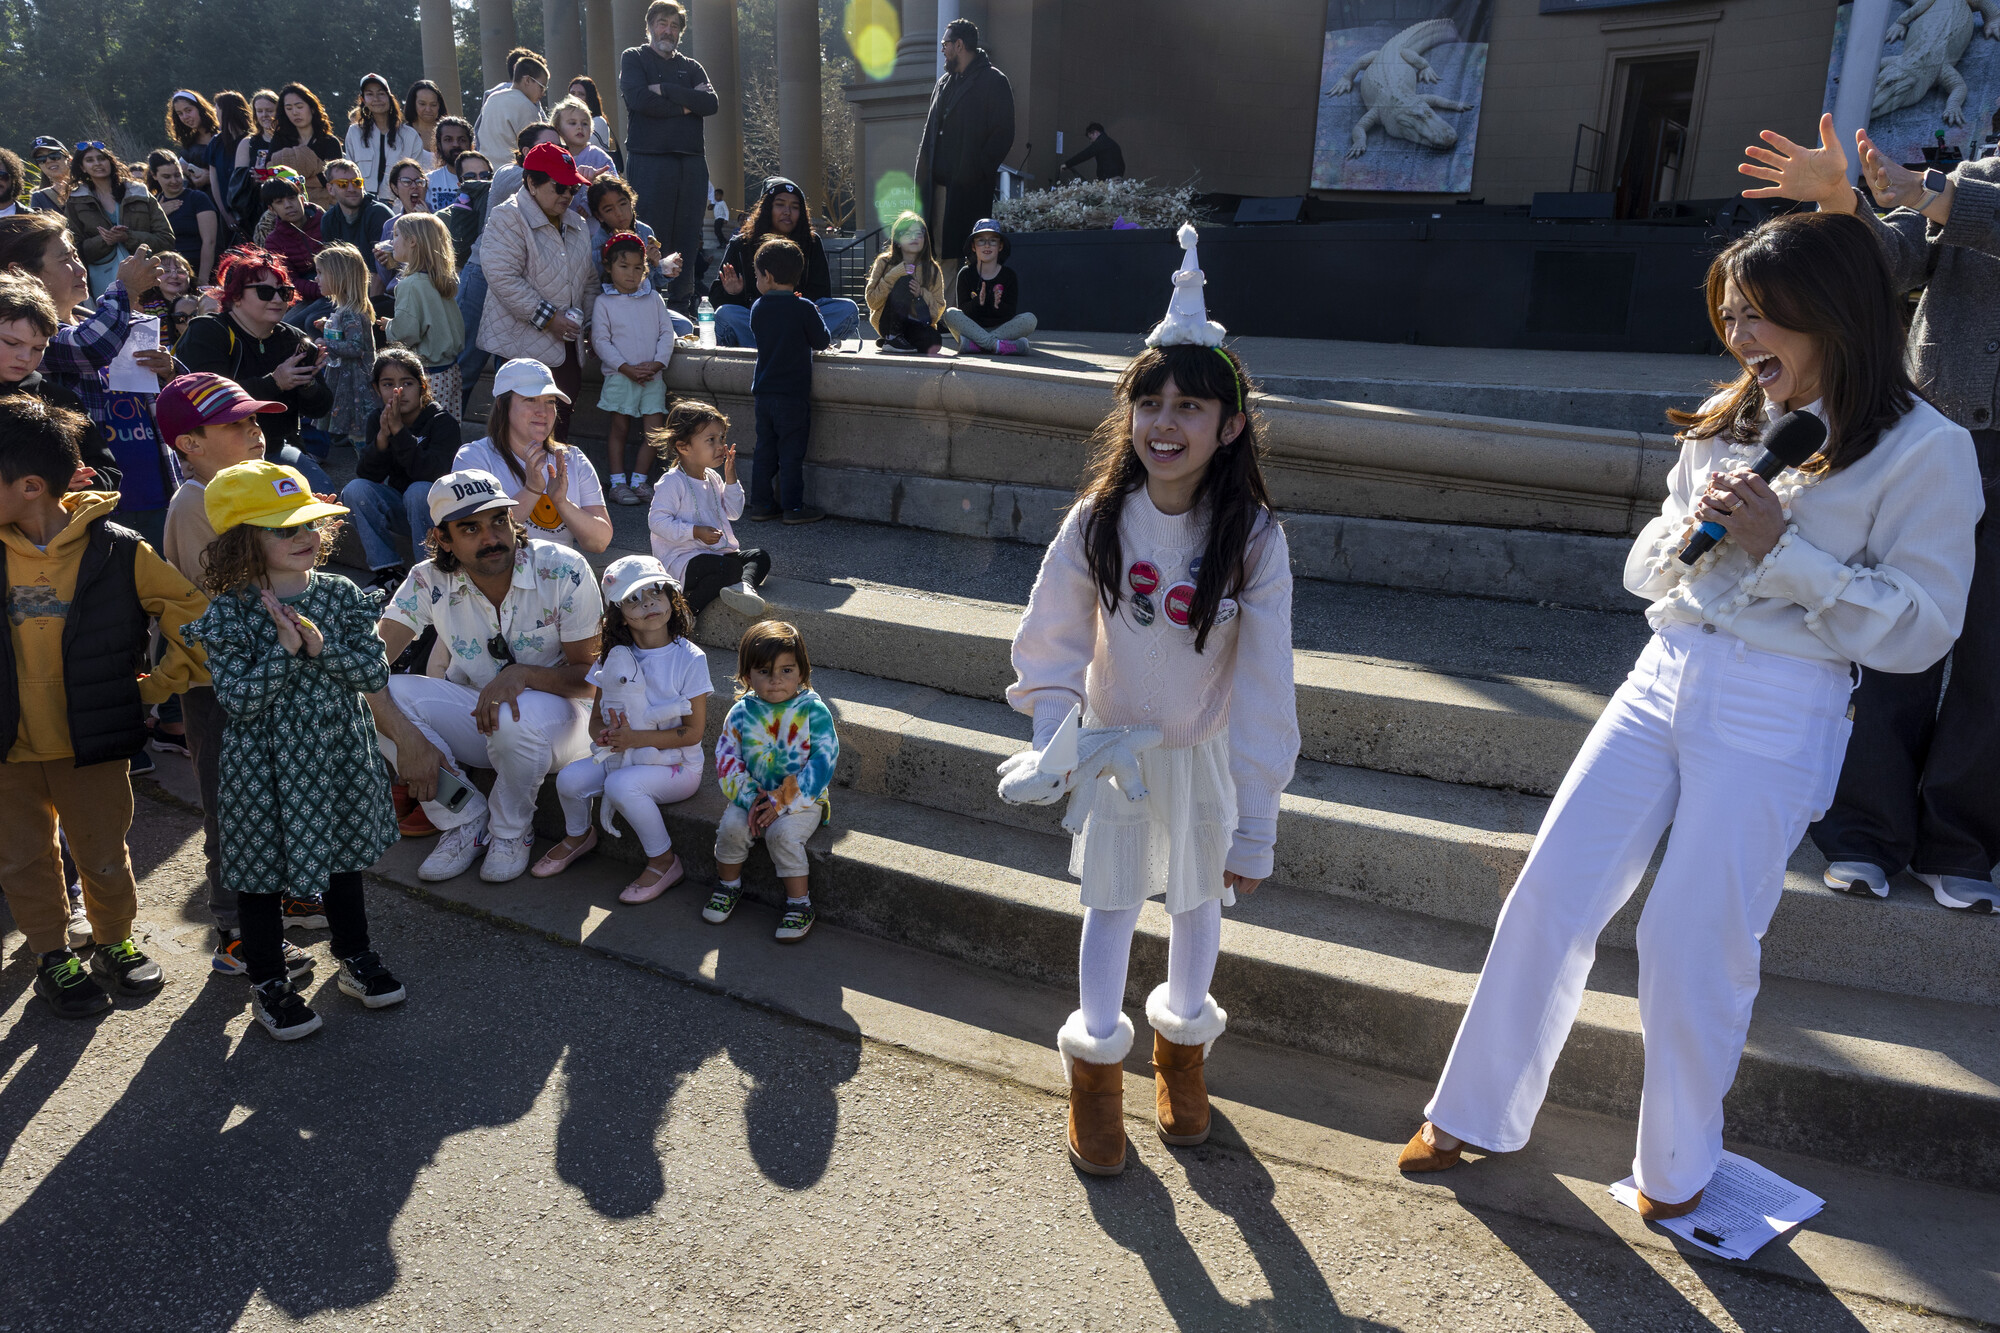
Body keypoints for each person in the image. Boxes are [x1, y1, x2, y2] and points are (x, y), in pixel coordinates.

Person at [1398, 212, 1982, 1218]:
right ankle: (1471, 1111)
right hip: (1659, 671)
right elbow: (1641, 575)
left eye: (1760, 317)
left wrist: (1781, 551)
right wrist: (1692, 526)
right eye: (1731, 316)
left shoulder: (1928, 451)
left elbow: (1920, 631)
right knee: (1549, 890)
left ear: (1831, 314)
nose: (1741, 337)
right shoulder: (1735, 416)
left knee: (1691, 935)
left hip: (1778, 702)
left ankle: (1675, 1173)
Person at [1002, 246, 1297, 1175]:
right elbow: (1050, 639)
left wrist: (1258, 819)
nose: (1165, 424)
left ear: (1232, 424)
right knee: (1112, 903)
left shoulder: (1252, 539)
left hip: (1204, 753)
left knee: (1200, 903)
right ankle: (1096, 1073)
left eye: (1190, 406)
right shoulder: (1097, 519)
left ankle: (1182, 1055)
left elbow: (1264, 683)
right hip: (1116, 749)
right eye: (1150, 402)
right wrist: (1055, 736)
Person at [1738, 112, 2000, 913]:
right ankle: (1863, 833)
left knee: (1992, 657)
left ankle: (1962, 842)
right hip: (1938, 437)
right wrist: (1841, 206)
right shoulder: (1969, 180)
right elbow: (1883, 264)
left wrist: (1935, 192)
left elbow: (1957, 207)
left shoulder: (1957, 189)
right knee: (1892, 636)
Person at [0, 393, 208, 1019]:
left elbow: (193, 617)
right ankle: (50, 953)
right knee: (23, 856)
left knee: (103, 850)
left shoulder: (117, 549)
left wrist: (156, 685)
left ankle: (115, 940)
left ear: (32, 486)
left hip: (91, 743)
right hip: (7, 748)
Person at [186, 460, 404, 1040]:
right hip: (264, 764)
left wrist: (319, 647)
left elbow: (371, 668)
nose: (306, 537)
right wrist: (282, 652)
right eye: (285, 529)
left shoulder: (340, 595)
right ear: (243, 542)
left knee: (342, 861)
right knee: (259, 873)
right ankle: (268, 980)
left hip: (336, 752)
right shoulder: (229, 614)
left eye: (310, 524)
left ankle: (354, 958)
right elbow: (238, 699)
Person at [368, 467, 604, 883]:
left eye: (498, 520)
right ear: (442, 538)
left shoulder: (563, 568)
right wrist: (408, 741)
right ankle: (464, 818)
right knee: (377, 693)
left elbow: (589, 678)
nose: (491, 537)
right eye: (470, 528)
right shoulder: (429, 579)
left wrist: (522, 674)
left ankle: (511, 831)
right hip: (481, 721)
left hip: (566, 726)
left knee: (515, 713)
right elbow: (367, 663)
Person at [155, 373, 318, 978]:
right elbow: (235, 591)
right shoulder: (197, 500)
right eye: (234, 424)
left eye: (255, 419)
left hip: (264, 668)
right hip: (218, 683)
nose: (254, 431)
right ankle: (233, 928)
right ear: (188, 443)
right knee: (234, 805)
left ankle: (279, 900)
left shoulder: (248, 490)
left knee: (274, 794)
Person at [534, 554, 709, 899]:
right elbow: (596, 717)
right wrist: (606, 736)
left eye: (655, 592)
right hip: (622, 756)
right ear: (618, 614)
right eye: (633, 599)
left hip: (677, 766)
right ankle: (579, 835)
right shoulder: (611, 657)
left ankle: (664, 861)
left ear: (671, 600)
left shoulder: (690, 658)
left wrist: (634, 738)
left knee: (621, 786)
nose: (648, 604)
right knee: (569, 779)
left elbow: (693, 732)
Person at [707, 620, 836, 940]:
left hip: (804, 797)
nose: (776, 680)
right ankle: (728, 885)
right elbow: (727, 761)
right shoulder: (740, 712)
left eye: (787, 670)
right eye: (764, 671)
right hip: (750, 795)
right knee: (731, 828)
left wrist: (783, 799)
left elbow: (823, 762)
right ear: (747, 675)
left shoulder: (813, 711)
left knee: (782, 834)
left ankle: (799, 903)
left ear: (802, 672)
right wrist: (752, 799)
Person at [175, 246, 336, 494]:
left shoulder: (294, 339)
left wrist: (307, 384)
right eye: (264, 291)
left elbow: (321, 408)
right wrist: (276, 383)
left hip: (274, 447)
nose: (277, 299)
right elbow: (207, 402)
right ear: (236, 295)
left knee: (322, 493)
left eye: (284, 292)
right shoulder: (206, 332)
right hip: (216, 454)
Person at [477, 142, 597, 437]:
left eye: (573, 188)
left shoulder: (578, 224)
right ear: (532, 182)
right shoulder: (508, 216)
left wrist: (592, 324)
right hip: (519, 346)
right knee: (518, 433)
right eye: (560, 187)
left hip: (567, 348)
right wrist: (550, 318)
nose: (568, 194)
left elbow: (589, 281)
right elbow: (502, 277)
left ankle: (553, 483)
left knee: (560, 426)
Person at [454, 125, 561, 415]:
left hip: (522, 284)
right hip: (482, 278)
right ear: (526, 153)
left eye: (560, 147)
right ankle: (439, 440)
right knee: (465, 365)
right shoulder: (508, 175)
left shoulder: (559, 186)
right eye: (549, 147)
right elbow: (538, 187)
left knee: (512, 374)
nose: (559, 153)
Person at [619, 0, 717, 314]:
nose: (668, 30)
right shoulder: (634, 57)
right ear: (649, 26)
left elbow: (711, 103)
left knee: (688, 235)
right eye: (662, 23)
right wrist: (687, 104)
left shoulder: (692, 66)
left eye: (674, 25)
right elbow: (638, 100)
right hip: (649, 159)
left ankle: (682, 303)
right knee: (650, 232)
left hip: (691, 161)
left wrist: (664, 88)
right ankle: (650, 300)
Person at [454, 356, 610, 551]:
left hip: (559, 577)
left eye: (550, 402)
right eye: (530, 399)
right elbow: (480, 537)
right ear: (502, 404)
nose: (543, 411)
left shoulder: (572, 458)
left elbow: (599, 543)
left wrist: (562, 502)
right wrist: (532, 490)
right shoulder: (473, 458)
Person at [341, 349, 461, 590]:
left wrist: (400, 433)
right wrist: (382, 439)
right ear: (377, 389)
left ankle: (431, 573)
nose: (398, 391)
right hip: (400, 509)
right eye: (388, 384)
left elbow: (431, 476)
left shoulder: (442, 422)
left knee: (419, 491)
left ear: (423, 386)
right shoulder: (379, 418)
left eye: (407, 383)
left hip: (438, 514)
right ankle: (388, 570)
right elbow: (368, 475)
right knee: (355, 490)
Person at [649, 398, 768, 615]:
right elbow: (657, 522)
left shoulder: (712, 477)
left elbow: (733, 512)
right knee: (729, 569)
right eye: (711, 440)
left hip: (715, 555)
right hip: (683, 561)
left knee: (759, 556)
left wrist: (730, 479)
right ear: (683, 447)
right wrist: (694, 532)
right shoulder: (673, 481)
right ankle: (687, 613)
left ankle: (744, 587)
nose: (720, 446)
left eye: (722, 438)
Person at [708, 177, 859, 347]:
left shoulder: (811, 242)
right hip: (756, 321)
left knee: (848, 309)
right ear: (766, 208)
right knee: (726, 313)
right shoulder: (741, 244)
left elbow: (821, 293)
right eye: (780, 204)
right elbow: (716, 300)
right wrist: (732, 293)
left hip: (798, 320)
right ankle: (793, 346)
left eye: (794, 207)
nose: (787, 211)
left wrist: (797, 303)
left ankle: (781, 346)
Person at [915, 18, 1015, 266]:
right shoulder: (943, 84)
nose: (942, 49)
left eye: (945, 43)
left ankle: (960, 306)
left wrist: (975, 171)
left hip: (968, 190)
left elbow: (1003, 134)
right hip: (936, 189)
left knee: (967, 257)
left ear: (959, 45)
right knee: (937, 255)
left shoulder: (994, 80)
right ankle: (942, 306)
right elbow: (928, 136)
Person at [747, 237, 830, 524]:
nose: (756, 280)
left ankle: (760, 505)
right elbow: (821, 341)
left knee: (765, 451)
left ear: (768, 276)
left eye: (757, 275)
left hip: (764, 393)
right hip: (792, 395)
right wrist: (816, 316)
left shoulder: (758, 307)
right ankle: (792, 508)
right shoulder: (804, 307)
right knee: (791, 454)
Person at [592, 231, 675, 504]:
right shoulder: (604, 302)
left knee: (655, 431)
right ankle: (617, 483)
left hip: (653, 377)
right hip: (620, 376)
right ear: (608, 267)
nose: (631, 274)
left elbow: (666, 333)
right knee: (619, 429)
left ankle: (640, 480)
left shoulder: (653, 299)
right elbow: (600, 340)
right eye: (623, 266)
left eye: (638, 268)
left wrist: (658, 363)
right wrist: (624, 367)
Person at [65, 144, 174, 299]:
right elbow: (74, 250)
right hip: (101, 283)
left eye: (101, 158)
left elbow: (166, 239)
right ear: (82, 167)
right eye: (90, 160)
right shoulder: (75, 201)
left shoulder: (139, 192)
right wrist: (104, 240)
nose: (97, 163)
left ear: (110, 161)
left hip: (147, 277)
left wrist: (128, 237)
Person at [383, 212, 465, 415]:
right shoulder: (440, 279)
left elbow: (406, 334)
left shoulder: (411, 285)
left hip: (428, 375)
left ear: (412, 241)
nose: (391, 242)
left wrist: (389, 327)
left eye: (395, 235)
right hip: (451, 371)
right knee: (447, 430)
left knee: (423, 432)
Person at [587, 175, 691, 317]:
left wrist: (665, 269)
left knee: (684, 326)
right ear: (599, 216)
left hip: (648, 305)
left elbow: (653, 283)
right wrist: (650, 265)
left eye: (623, 203)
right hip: (617, 313)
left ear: (631, 201)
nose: (619, 213)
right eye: (609, 210)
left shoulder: (645, 232)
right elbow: (622, 287)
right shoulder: (598, 246)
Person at [312, 243, 376, 446]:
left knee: (362, 439)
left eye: (321, 273)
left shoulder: (351, 312)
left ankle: (371, 474)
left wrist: (326, 343)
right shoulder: (346, 309)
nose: (316, 278)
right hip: (347, 379)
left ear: (339, 276)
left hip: (356, 384)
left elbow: (356, 347)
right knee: (358, 437)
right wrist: (329, 329)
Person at [944, 218, 1035, 355]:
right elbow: (963, 311)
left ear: (1000, 246)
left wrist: (997, 304)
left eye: (992, 241)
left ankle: (977, 346)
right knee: (950, 313)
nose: (987, 246)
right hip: (972, 330)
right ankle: (997, 345)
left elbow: (1010, 313)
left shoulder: (1009, 275)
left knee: (1030, 319)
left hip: (1002, 330)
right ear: (973, 247)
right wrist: (978, 302)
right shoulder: (965, 274)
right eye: (981, 240)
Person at [865, 211, 948, 356]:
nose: (914, 237)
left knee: (934, 341)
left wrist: (921, 294)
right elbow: (872, 302)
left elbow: (936, 313)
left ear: (925, 239)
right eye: (907, 233)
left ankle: (895, 342)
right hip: (888, 322)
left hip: (915, 323)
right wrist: (893, 275)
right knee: (904, 281)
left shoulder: (932, 269)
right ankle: (892, 337)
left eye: (918, 233)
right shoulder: (884, 262)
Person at [250, 171, 327, 327]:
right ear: (271, 209)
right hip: (307, 295)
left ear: (301, 198)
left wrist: (332, 287)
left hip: (340, 286)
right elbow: (290, 280)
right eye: (280, 202)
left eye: (292, 198)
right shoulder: (274, 240)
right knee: (287, 326)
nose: (288, 205)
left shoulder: (326, 220)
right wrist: (322, 290)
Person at [315, 158, 395, 300]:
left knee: (309, 321)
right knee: (296, 320)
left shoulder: (378, 214)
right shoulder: (328, 220)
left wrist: (367, 313)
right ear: (330, 189)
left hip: (377, 297)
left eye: (357, 182)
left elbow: (379, 273)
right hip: (344, 295)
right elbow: (332, 269)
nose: (352, 189)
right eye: (343, 184)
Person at [346, 73, 427, 201]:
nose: (376, 99)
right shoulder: (354, 132)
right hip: (363, 205)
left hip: (398, 205)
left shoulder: (410, 136)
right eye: (370, 94)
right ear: (363, 100)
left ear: (390, 97)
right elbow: (349, 173)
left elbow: (417, 176)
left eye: (381, 93)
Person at [143, 149, 218, 284]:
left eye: (177, 175)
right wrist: (160, 213)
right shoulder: (153, 204)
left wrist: (203, 279)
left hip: (196, 269)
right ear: (154, 176)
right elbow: (146, 239)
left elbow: (210, 242)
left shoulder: (197, 198)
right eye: (167, 177)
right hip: (164, 276)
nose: (174, 181)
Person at [269, 84, 345, 210]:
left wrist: (294, 181)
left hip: (326, 207)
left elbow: (331, 176)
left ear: (312, 108)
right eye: (288, 108)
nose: (295, 112)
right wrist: (309, 180)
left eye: (299, 107)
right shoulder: (279, 140)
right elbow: (271, 170)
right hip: (286, 209)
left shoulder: (329, 142)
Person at [476, 54, 550, 164]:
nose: (543, 93)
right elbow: (535, 150)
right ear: (527, 80)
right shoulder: (526, 105)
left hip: (487, 172)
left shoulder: (492, 98)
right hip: (514, 173)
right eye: (542, 87)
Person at [549, 95, 616, 209]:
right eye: (572, 123)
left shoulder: (598, 156)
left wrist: (589, 201)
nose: (580, 127)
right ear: (558, 128)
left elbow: (615, 189)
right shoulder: (553, 157)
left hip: (594, 222)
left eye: (585, 123)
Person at [231, 90, 284, 233]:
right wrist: (253, 179)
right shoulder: (248, 143)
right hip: (256, 207)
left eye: (269, 110)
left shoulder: (289, 140)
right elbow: (237, 185)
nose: (264, 115)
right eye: (259, 111)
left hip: (287, 202)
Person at [209, 90, 253, 237]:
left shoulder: (251, 141)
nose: (215, 114)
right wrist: (225, 213)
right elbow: (214, 181)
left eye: (217, 110)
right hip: (226, 213)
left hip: (250, 211)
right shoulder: (216, 142)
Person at [442, 150, 493, 271]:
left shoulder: (502, 209)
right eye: (471, 177)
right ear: (460, 184)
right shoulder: (444, 218)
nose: (479, 181)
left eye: (485, 176)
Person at [425, 116, 476, 211]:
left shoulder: (482, 179)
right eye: (448, 140)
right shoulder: (428, 182)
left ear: (470, 145)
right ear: (439, 145)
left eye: (462, 140)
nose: (456, 144)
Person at [567, 76, 619, 162]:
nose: (575, 97)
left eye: (581, 94)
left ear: (589, 98)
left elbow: (577, 147)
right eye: (572, 93)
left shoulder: (598, 122)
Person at [404, 79, 451, 165]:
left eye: (433, 105)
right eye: (422, 104)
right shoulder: (402, 134)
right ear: (413, 104)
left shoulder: (449, 132)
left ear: (439, 106)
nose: (428, 109)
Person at [28, 138, 70, 213]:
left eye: (54, 155)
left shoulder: (88, 186)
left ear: (68, 158)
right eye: (41, 158)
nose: (48, 160)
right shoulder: (39, 198)